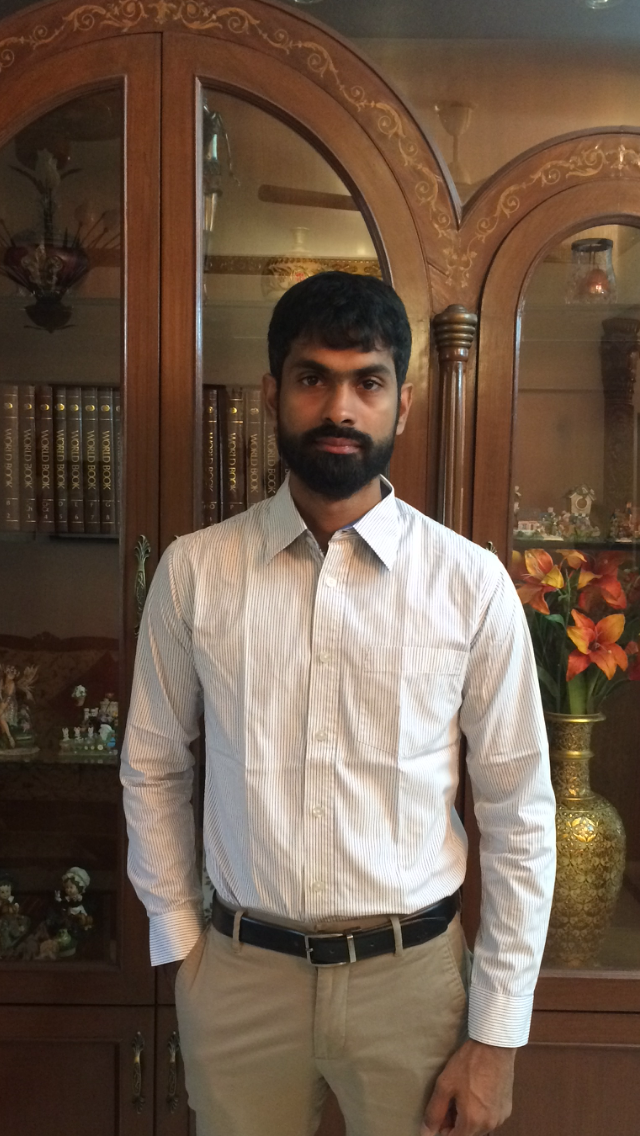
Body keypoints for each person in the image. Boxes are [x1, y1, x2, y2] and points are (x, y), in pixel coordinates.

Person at [121, 271, 556, 1136]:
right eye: (313, 377)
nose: (340, 408)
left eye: (368, 382)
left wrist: (498, 1033)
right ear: (272, 393)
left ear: (403, 403)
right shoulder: (195, 572)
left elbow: (519, 812)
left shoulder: (469, 586)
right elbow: (154, 764)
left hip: (416, 986)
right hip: (240, 978)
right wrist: (183, 947)